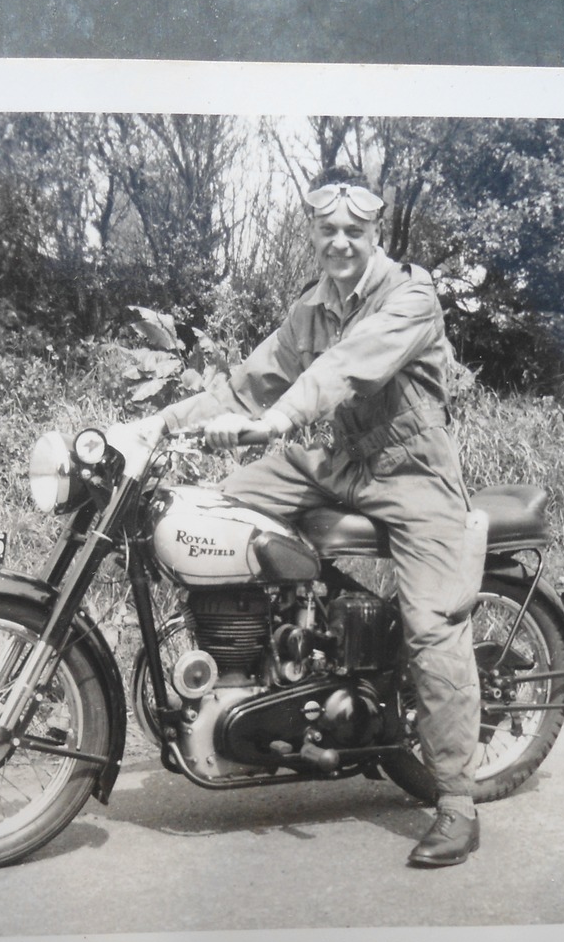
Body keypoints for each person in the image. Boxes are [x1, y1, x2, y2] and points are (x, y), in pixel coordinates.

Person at [135, 169, 486, 868]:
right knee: (220, 510)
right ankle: (282, 656)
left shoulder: (410, 297)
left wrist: (279, 420)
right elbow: (244, 382)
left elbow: (348, 370)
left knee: (430, 626)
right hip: (335, 463)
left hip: (412, 478)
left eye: (354, 230)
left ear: (374, 232)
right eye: (327, 230)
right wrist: (148, 428)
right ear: (312, 234)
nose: (341, 241)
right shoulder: (311, 309)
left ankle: (456, 800)